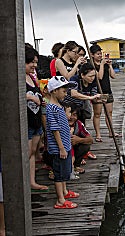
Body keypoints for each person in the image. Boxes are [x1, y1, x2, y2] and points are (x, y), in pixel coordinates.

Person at [46, 76, 79, 209]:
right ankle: (60, 200)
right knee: (59, 174)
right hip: (59, 148)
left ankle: (65, 192)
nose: (65, 93)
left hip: (65, 145)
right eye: (63, 91)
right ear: (54, 91)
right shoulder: (52, 108)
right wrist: (61, 148)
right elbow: (55, 129)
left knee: (65, 171)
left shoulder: (59, 106)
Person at [26, 46, 48, 191]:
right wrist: (31, 97)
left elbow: (35, 94)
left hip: (36, 120)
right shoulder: (16, 77)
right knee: (27, 153)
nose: (34, 65)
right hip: (26, 122)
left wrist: (40, 99)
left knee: (33, 152)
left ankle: (32, 181)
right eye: (31, 63)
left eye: (35, 62)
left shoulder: (32, 77)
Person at [90, 44, 118, 141]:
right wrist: (101, 64)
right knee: (97, 114)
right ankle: (98, 134)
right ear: (92, 55)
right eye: (98, 54)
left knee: (109, 113)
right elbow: (99, 77)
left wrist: (109, 66)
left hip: (107, 91)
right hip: (98, 92)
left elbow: (113, 76)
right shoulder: (92, 65)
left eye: (100, 54)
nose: (100, 56)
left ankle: (111, 132)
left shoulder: (105, 64)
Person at [68, 104, 94, 173]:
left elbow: (90, 140)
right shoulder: (60, 124)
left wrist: (79, 140)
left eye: (74, 115)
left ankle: (76, 165)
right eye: (70, 114)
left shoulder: (78, 124)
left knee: (85, 146)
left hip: (73, 149)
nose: (71, 117)